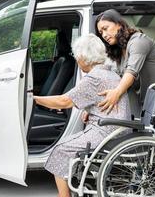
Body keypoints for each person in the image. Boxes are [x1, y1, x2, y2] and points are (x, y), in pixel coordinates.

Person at [95, 9, 155, 196]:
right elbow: (115, 76)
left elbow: (131, 72)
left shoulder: (138, 41)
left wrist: (117, 93)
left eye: (106, 28)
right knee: (150, 140)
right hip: (154, 98)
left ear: (119, 24)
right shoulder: (120, 52)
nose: (104, 35)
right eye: (101, 33)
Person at [34, 33, 131, 197]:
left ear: (84, 58)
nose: (77, 60)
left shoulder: (94, 77)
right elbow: (95, 99)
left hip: (107, 131)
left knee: (60, 149)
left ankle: (64, 195)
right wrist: (89, 111)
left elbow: (64, 101)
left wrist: (34, 99)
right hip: (114, 127)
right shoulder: (109, 73)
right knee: (68, 144)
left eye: (77, 56)